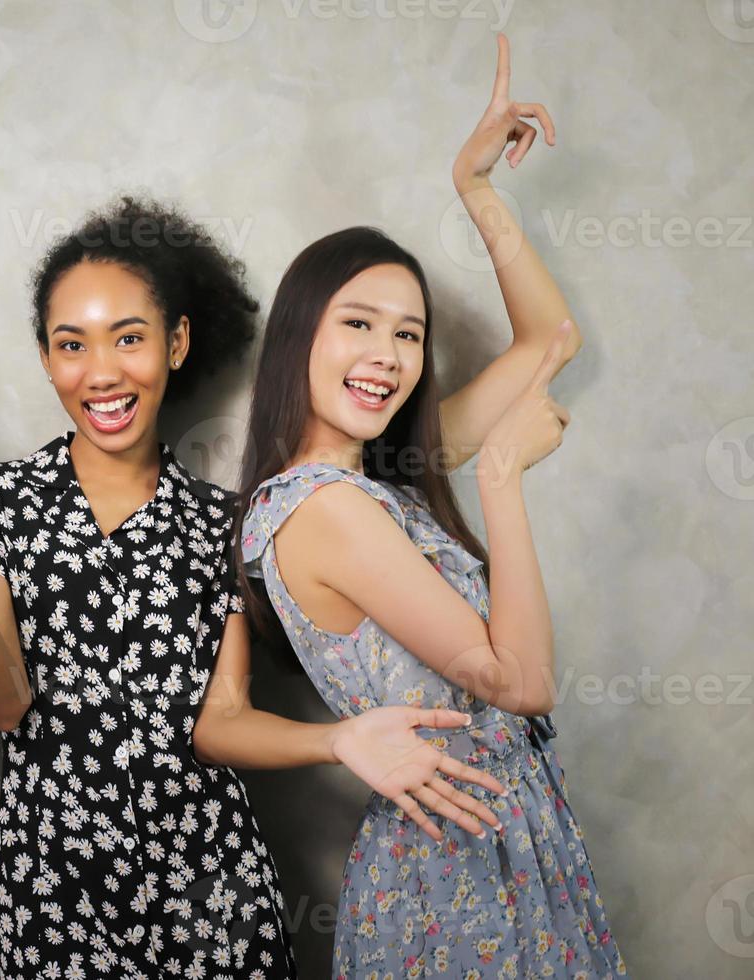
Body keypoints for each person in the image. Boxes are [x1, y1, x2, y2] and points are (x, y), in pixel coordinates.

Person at [0, 198, 508, 978]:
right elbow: (3, 703)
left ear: (178, 342)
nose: (102, 373)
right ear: (46, 357)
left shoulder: (225, 524)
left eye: (129, 338)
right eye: (72, 345)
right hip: (49, 900)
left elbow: (222, 719)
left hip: (211, 898)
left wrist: (336, 740)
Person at [234, 36, 627, 977]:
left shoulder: (384, 478)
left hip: (511, 841)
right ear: (300, 339)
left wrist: (476, 190)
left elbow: (550, 338)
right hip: (450, 872)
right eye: (358, 325)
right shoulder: (324, 508)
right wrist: (499, 478)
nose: (387, 354)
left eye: (407, 334)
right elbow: (518, 683)